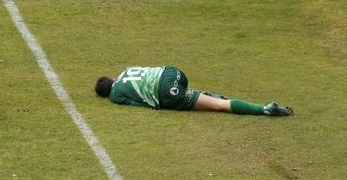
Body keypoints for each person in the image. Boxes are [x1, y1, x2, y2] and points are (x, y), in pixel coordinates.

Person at [94, 66, 294, 116]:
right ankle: (200, 94)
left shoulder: (115, 95)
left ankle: (264, 109)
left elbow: (140, 103)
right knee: (185, 92)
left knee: (219, 106)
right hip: (173, 73)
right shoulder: (126, 70)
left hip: (166, 91)